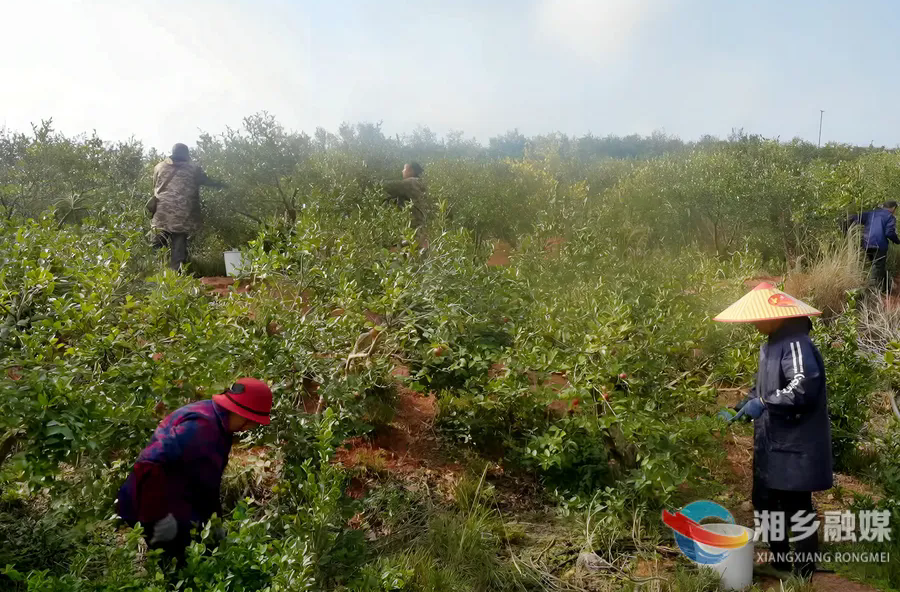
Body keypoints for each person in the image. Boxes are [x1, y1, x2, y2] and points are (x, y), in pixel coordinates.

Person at [716, 283, 832, 579]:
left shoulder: (796, 342)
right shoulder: (769, 345)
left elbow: (802, 387)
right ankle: (780, 562)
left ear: (776, 316)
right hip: (770, 440)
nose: (754, 323)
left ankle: (804, 570)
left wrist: (765, 402)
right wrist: (743, 404)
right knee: (766, 502)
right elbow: (764, 388)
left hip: (795, 442)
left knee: (797, 505)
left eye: (758, 318)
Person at [116, 378, 273, 564]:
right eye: (253, 422)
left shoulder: (215, 419)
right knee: (177, 564)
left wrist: (214, 522)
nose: (252, 427)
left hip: (175, 497)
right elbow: (153, 466)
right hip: (154, 501)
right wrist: (160, 517)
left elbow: (206, 485)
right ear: (241, 414)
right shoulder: (203, 430)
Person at [147, 143, 226, 271]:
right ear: (186, 155)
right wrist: (223, 185)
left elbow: (155, 187)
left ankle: (154, 275)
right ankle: (176, 278)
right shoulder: (193, 169)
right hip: (181, 215)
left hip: (161, 214)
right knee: (178, 248)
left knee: (157, 246)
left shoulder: (159, 167)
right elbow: (207, 181)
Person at [847, 200, 899, 292]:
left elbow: (855, 218)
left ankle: (885, 288)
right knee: (878, 266)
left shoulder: (871, 213)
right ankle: (872, 291)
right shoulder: (890, 217)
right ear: (893, 208)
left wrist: (844, 224)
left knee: (878, 265)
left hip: (866, 243)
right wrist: (897, 241)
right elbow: (889, 232)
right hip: (880, 244)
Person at [383, 162, 427, 239]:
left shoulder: (411, 182)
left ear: (411, 171)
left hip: (413, 225)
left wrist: (368, 182)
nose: (402, 171)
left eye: (404, 169)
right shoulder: (419, 182)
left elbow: (389, 186)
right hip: (419, 223)